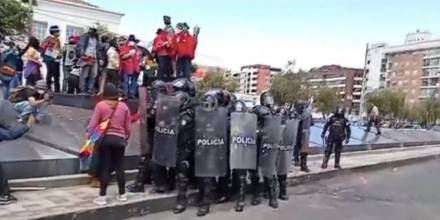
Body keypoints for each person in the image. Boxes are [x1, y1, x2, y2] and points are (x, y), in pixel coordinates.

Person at [87, 83, 131, 206]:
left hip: (105, 140)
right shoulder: (124, 107)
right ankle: (122, 195)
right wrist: (126, 139)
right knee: (120, 167)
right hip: (120, 140)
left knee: (105, 167)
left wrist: (89, 137)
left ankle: (102, 197)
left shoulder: (100, 106)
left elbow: (93, 124)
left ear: (105, 94)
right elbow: (127, 127)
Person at [193, 89, 230, 217]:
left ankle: (205, 203)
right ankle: (201, 195)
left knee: (208, 176)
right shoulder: (201, 114)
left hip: (215, 148)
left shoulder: (222, 115)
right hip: (202, 146)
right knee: (202, 175)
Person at [127, 80, 166, 193]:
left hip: (154, 134)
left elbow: (151, 117)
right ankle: (152, 180)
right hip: (160, 135)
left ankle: (140, 183)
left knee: (146, 158)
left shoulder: (158, 102)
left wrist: (146, 113)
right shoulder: (167, 103)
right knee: (155, 160)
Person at [250, 91, 282, 209]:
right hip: (257, 143)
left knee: (270, 171)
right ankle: (256, 195)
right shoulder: (258, 109)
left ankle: (272, 195)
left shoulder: (276, 111)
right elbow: (251, 118)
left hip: (269, 143)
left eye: (270, 97)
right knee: (255, 172)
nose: (269, 100)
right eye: (266, 98)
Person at [229, 99, 258, 212]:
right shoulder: (229, 120)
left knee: (242, 177)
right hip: (231, 151)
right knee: (234, 175)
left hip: (243, 151)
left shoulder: (248, 122)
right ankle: (234, 192)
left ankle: (241, 200)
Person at [76, 27, 100, 95]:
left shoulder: (96, 39)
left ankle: (90, 89)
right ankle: (82, 89)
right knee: (84, 74)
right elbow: (81, 46)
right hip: (86, 57)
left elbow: (97, 48)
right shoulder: (85, 37)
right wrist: (83, 55)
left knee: (93, 74)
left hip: (94, 58)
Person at [41, 25, 62, 93]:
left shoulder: (58, 40)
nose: (59, 33)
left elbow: (58, 51)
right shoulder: (48, 39)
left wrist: (59, 55)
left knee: (57, 75)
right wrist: (53, 53)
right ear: (54, 32)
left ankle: (57, 91)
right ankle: (48, 89)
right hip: (50, 60)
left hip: (56, 60)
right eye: (58, 31)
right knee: (50, 74)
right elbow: (43, 48)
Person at [294, 101, 314, 173]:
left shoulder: (296, 113)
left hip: (297, 132)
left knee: (297, 148)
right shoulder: (307, 113)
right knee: (304, 150)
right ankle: (303, 165)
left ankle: (297, 161)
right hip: (304, 132)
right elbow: (312, 123)